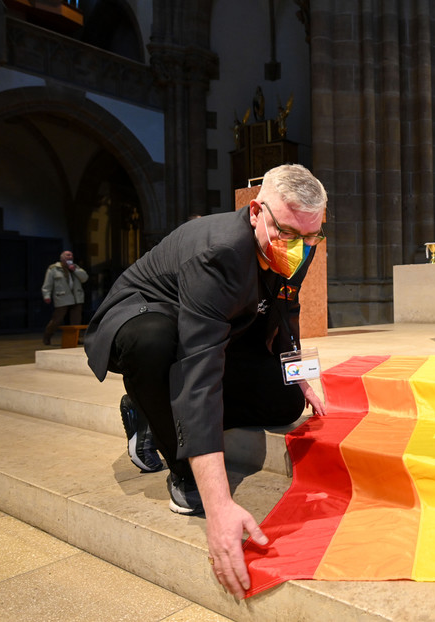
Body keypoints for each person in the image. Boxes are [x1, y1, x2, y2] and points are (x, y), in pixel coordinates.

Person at [84, 164, 328, 599]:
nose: (301, 249)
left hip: (216, 324)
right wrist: (219, 511)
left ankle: (156, 408)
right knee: (156, 342)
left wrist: (301, 375)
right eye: (289, 234)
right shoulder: (215, 253)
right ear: (256, 212)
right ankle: (175, 457)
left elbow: (286, 311)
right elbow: (200, 376)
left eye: (312, 236)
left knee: (285, 404)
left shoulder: (297, 245)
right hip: (145, 317)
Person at [41, 250, 88, 345]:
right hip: (62, 297)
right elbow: (47, 284)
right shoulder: (53, 269)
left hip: (76, 298)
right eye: (67, 255)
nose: (70, 257)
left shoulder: (76, 268)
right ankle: (47, 336)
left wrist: (74, 270)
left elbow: (84, 278)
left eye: (71, 255)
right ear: (62, 258)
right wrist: (46, 295)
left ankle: (76, 338)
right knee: (57, 319)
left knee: (76, 320)